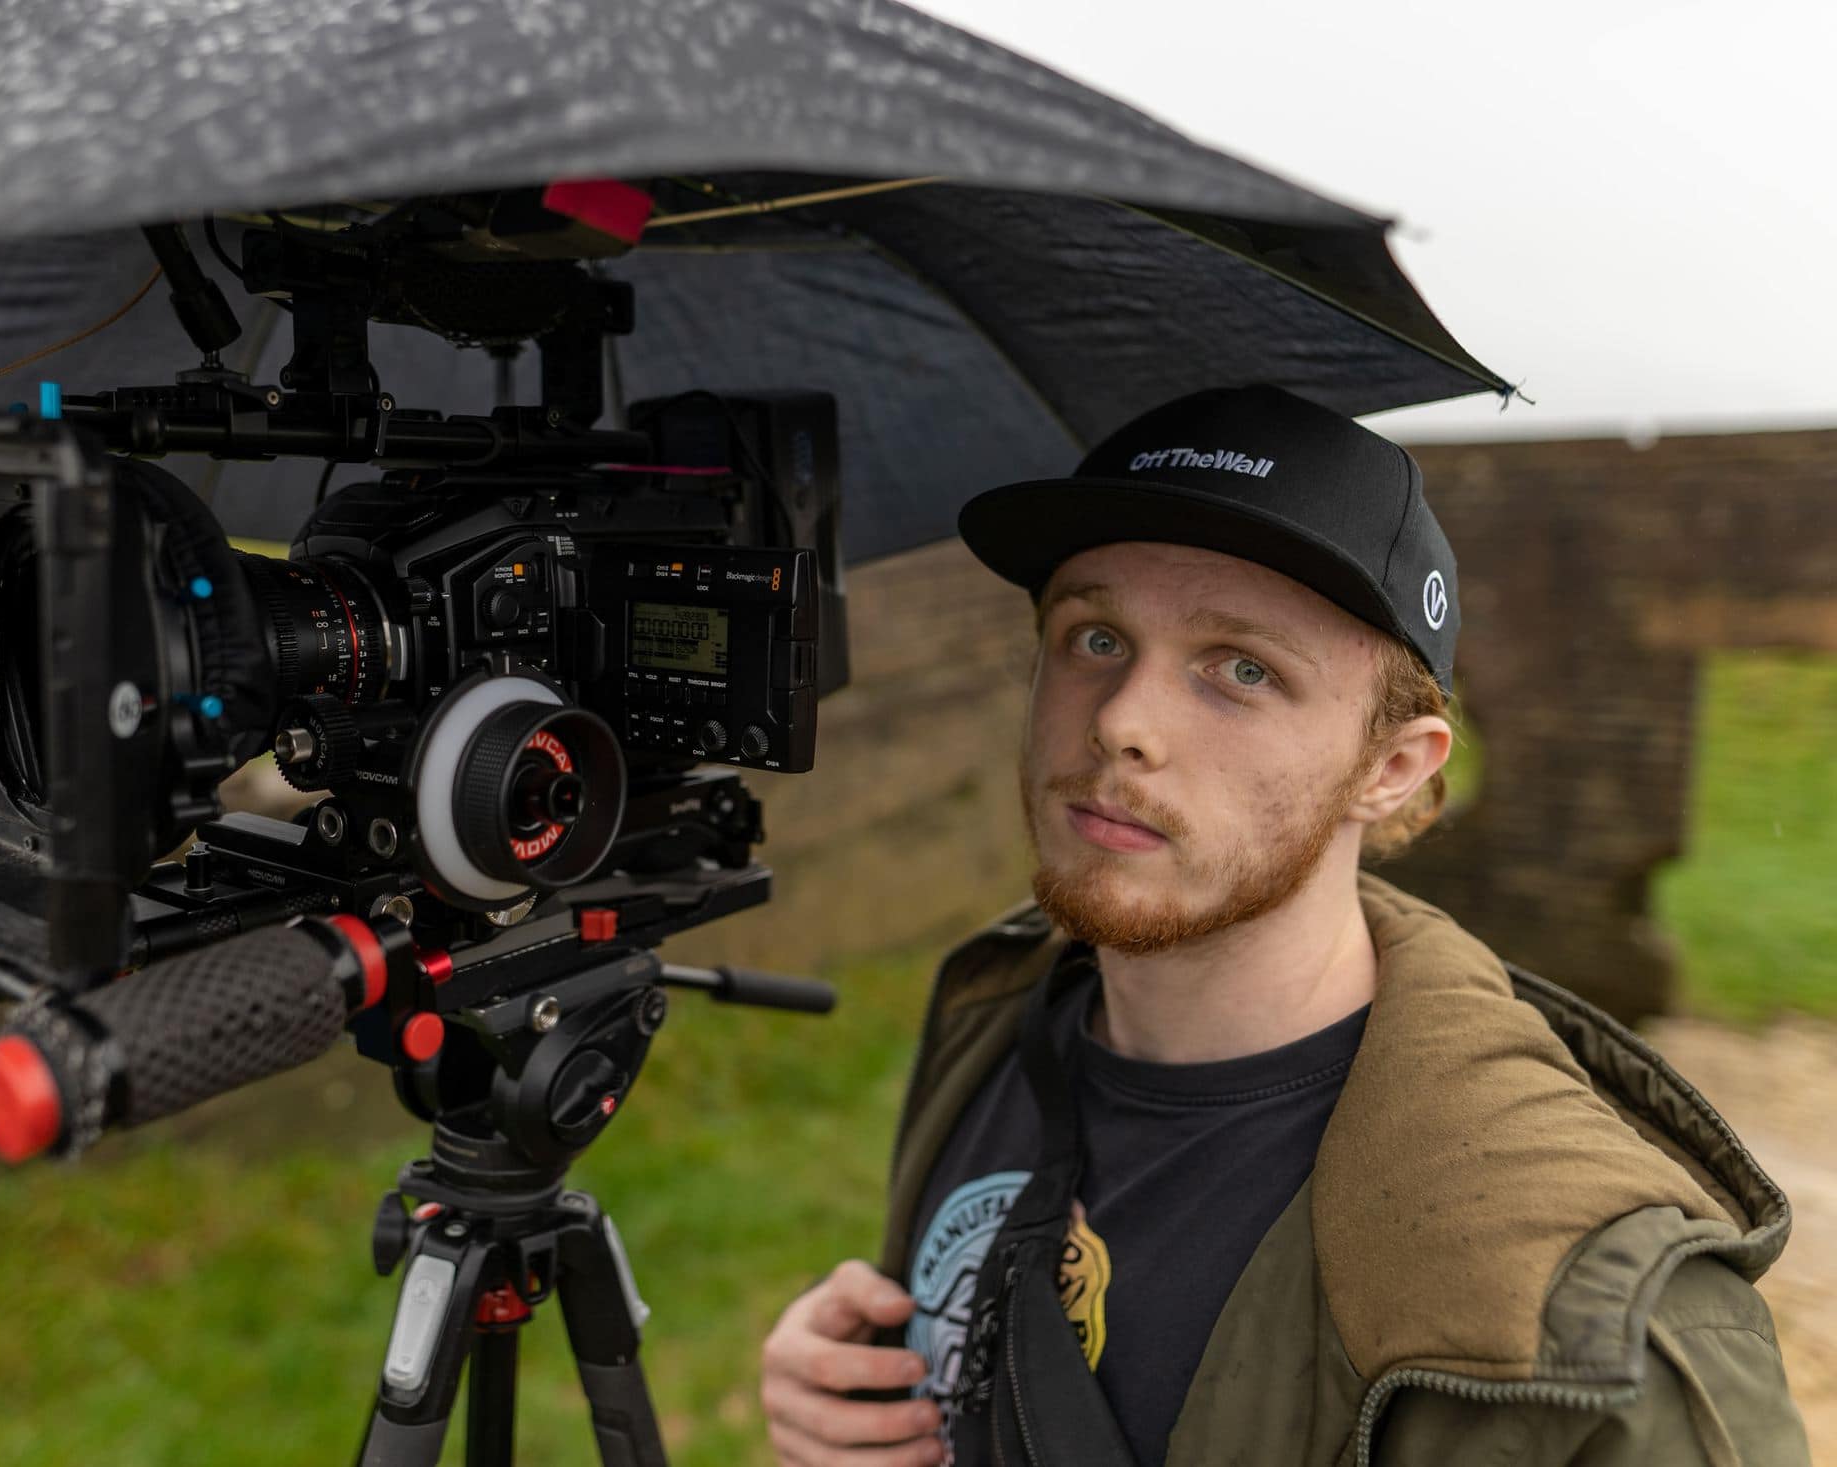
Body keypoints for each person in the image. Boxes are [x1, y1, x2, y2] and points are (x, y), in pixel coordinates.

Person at [757, 385, 1808, 1467]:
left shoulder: (1594, 1332)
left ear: (1391, 771)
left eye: (1242, 670)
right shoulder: (997, 1003)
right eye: (1096, 636)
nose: (1121, 722)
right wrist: (857, 1401)